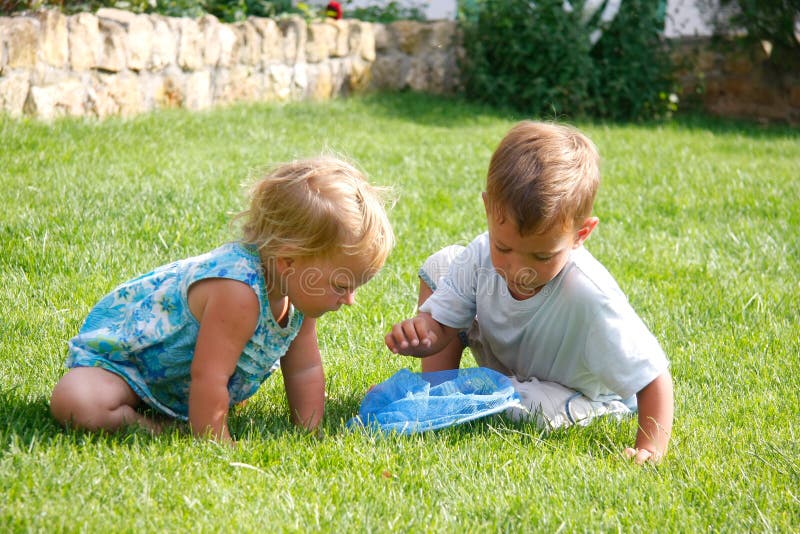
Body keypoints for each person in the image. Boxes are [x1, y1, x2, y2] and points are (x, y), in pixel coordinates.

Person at [51, 156, 394, 444]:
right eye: (341, 285)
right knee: (75, 402)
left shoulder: (299, 293)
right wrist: (217, 444)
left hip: (180, 383)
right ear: (288, 262)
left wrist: (310, 434)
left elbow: (305, 368)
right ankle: (165, 429)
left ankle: (187, 414)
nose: (350, 300)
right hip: (130, 367)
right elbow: (209, 377)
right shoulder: (237, 291)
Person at [385, 122, 673, 464]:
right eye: (503, 247)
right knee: (444, 262)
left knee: (521, 408)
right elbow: (443, 327)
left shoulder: (590, 295)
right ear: (488, 208)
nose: (518, 268)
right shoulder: (480, 255)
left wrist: (651, 447)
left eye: (541, 256)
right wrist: (423, 335)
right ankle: (436, 394)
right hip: (507, 362)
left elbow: (653, 376)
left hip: (571, 391)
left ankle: (474, 396)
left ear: (582, 233)